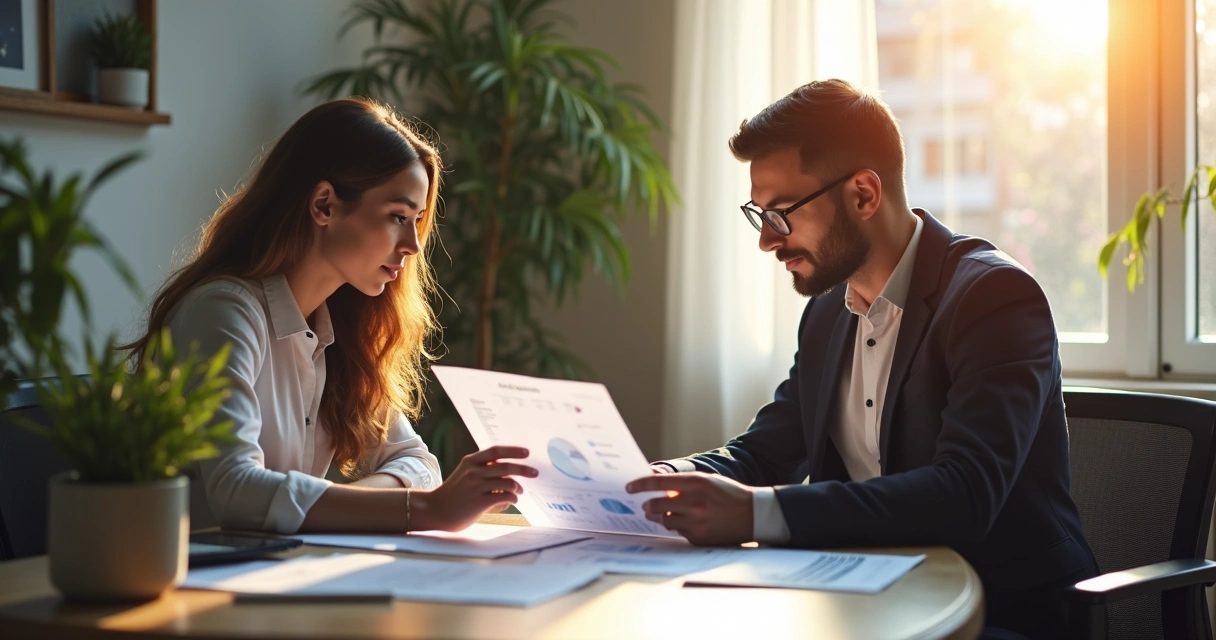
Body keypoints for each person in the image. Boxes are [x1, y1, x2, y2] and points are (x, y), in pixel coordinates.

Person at [625, 79, 1097, 638]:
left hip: (1000, 612)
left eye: (781, 214)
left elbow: (965, 495)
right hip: (867, 599)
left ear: (864, 195)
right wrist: (663, 479)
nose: (767, 241)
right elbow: (766, 454)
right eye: (760, 215)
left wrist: (755, 513)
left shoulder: (993, 298)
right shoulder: (827, 314)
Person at [124, 98, 536, 535]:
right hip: (186, 572)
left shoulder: (339, 329)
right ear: (324, 205)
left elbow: (418, 463)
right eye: (397, 216)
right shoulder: (223, 313)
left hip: (282, 568)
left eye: (416, 220)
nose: (413, 245)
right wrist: (422, 509)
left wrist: (386, 503)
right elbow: (237, 491)